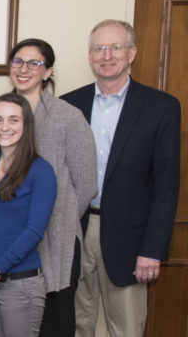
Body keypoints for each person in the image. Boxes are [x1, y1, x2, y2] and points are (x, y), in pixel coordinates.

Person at [60, 20, 181, 337]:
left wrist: (153, 249)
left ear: (132, 53)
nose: (106, 55)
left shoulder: (161, 108)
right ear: (90, 56)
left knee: (126, 328)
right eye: (99, 48)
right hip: (76, 229)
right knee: (73, 325)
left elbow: (166, 187)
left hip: (131, 238)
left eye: (115, 47)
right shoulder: (69, 105)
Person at [7, 38, 97, 335]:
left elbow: (85, 185)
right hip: (12, 236)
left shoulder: (68, 117)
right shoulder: (3, 115)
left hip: (55, 239)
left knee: (54, 322)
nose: (24, 69)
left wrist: (56, 216)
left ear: (48, 72)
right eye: (18, 61)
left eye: (34, 63)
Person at [0, 93, 58, 336]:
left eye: (13, 120)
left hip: (20, 285)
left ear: (26, 125)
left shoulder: (41, 171)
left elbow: (35, 230)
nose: (4, 127)